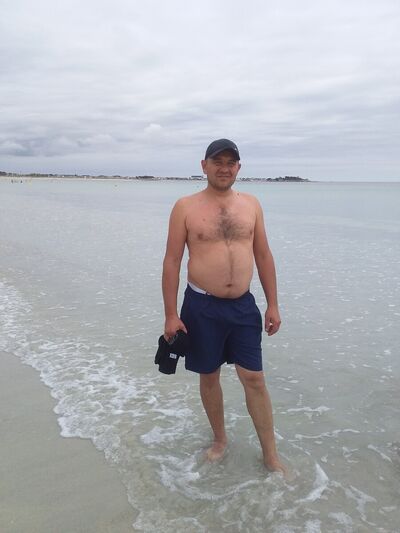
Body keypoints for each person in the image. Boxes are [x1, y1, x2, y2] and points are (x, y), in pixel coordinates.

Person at [162, 138, 285, 473]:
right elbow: (172, 261)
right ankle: (219, 439)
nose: (224, 168)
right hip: (201, 306)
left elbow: (263, 255)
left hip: (243, 306)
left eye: (231, 163)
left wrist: (273, 304)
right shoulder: (185, 207)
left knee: (254, 378)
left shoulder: (252, 205)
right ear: (204, 166)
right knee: (209, 374)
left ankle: (270, 455)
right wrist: (171, 314)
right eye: (218, 162)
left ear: (238, 168)